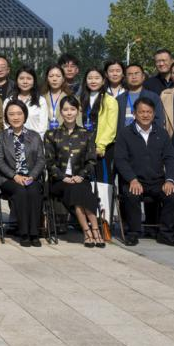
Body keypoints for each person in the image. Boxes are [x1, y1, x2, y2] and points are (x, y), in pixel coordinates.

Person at [113, 97, 174, 247]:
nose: (145, 115)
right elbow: (120, 160)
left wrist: (170, 180)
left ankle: (165, 233)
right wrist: (132, 179)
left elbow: (170, 158)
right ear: (134, 114)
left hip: (157, 181)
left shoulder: (162, 133)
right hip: (134, 180)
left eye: (149, 112)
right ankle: (133, 233)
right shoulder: (125, 133)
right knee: (131, 194)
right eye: (142, 112)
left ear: (153, 114)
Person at [43, 97, 101, 247]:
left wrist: (81, 175)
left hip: (80, 179)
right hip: (59, 182)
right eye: (65, 110)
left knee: (79, 189)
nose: (69, 113)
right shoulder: (51, 134)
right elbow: (49, 162)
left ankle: (91, 231)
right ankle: (92, 231)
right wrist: (62, 177)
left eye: (72, 109)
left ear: (78, 111)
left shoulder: (87, 134)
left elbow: (91, 161)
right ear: (61, 112)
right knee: (77, 190)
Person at [0, 101, 46, 247]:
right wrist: (15, 176)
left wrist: (32, 176)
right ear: (6, 117)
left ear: (25, 115)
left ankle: (34, 233)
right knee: (21, 191)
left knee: (34, 191)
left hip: (31, 177)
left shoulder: (34, 136)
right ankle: (24, 233)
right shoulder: (2, 136)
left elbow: (41, 160)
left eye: (19, 114)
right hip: (9, 178)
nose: (15, 117)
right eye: (11, 114)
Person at [78, 69, 119, 160]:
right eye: (90, 78)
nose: (93, 81)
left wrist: (101, 146)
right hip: (82, 146)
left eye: (97, 78)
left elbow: (111, 127)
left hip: (101, 149)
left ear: (103, 81)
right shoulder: (81, 99)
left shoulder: (110, 101)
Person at [8, 67, 48, 136]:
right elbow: (6, 124)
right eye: (21, 78)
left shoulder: (41, 101)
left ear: (34, 81)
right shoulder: (9, 100)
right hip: (12, 140)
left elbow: (43, 127)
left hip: (35, 140)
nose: (25, 82)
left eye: (29, 79)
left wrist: (36, 140)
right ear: (17, 81)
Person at [41, 65, 70, 134]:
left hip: (64, 135)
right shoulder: (41, 98)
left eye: (58, 76)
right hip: (45, 135)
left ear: (63, 79)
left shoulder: (70, 98)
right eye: (51, 76)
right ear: (47, 79)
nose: (54, 79)